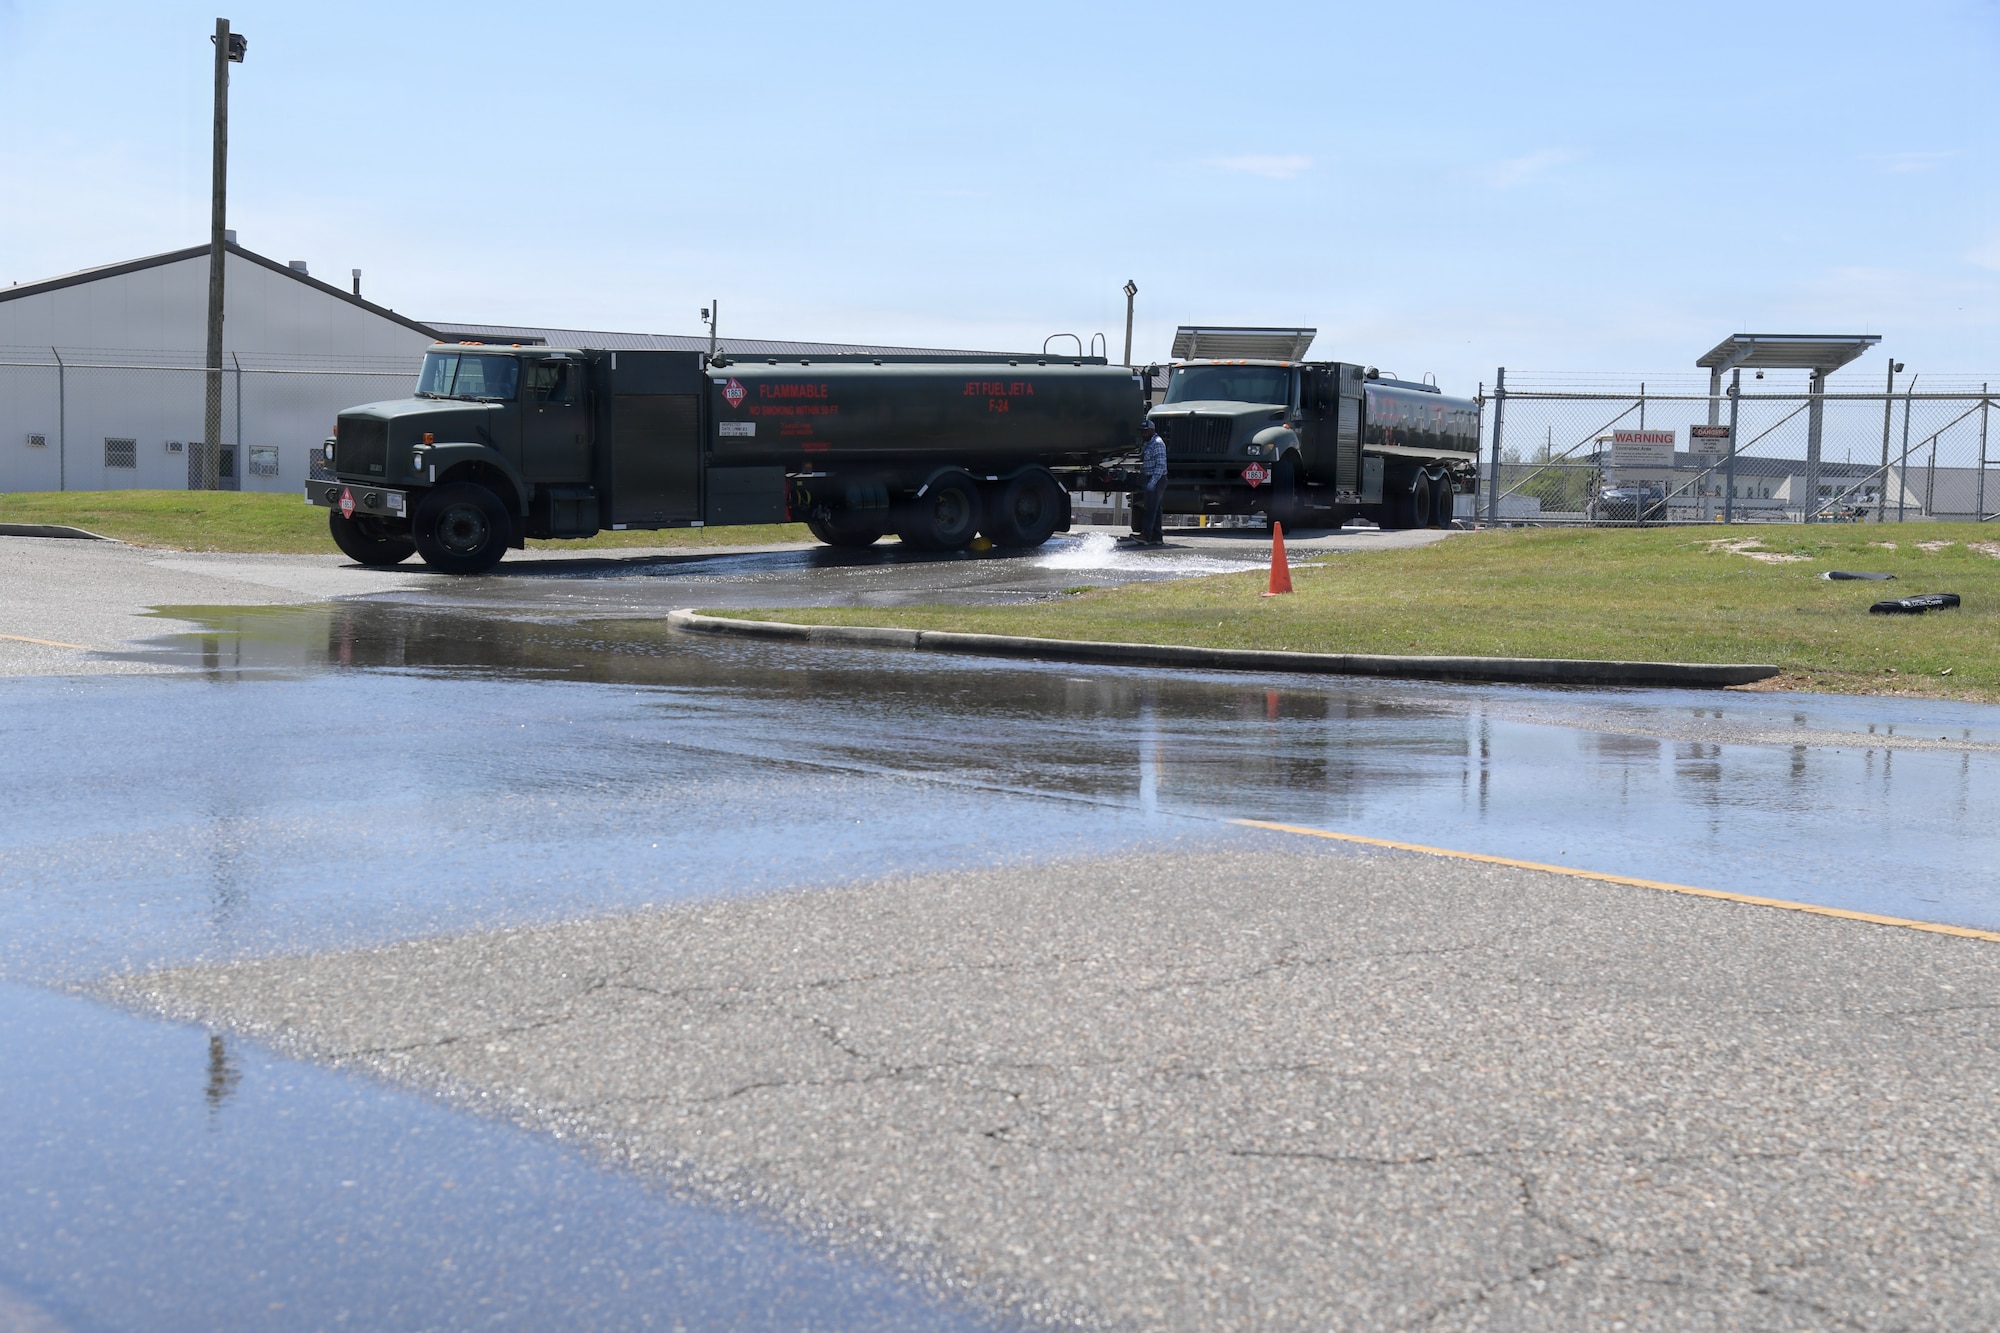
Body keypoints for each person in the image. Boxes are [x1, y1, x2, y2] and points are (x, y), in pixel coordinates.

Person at [1127, 419, 1168, 546]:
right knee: (1156, 508)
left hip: (1156, 479)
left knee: (1150, 508)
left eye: (1145, 431)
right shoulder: (1149, 443)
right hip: (1152, 478)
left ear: (1152, 430)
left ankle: (1145, 535)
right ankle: (1157, 536)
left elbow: (1160, 465)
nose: (1143, 434)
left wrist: (1153, 482)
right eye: (1142, 432)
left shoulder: (1157, 443)